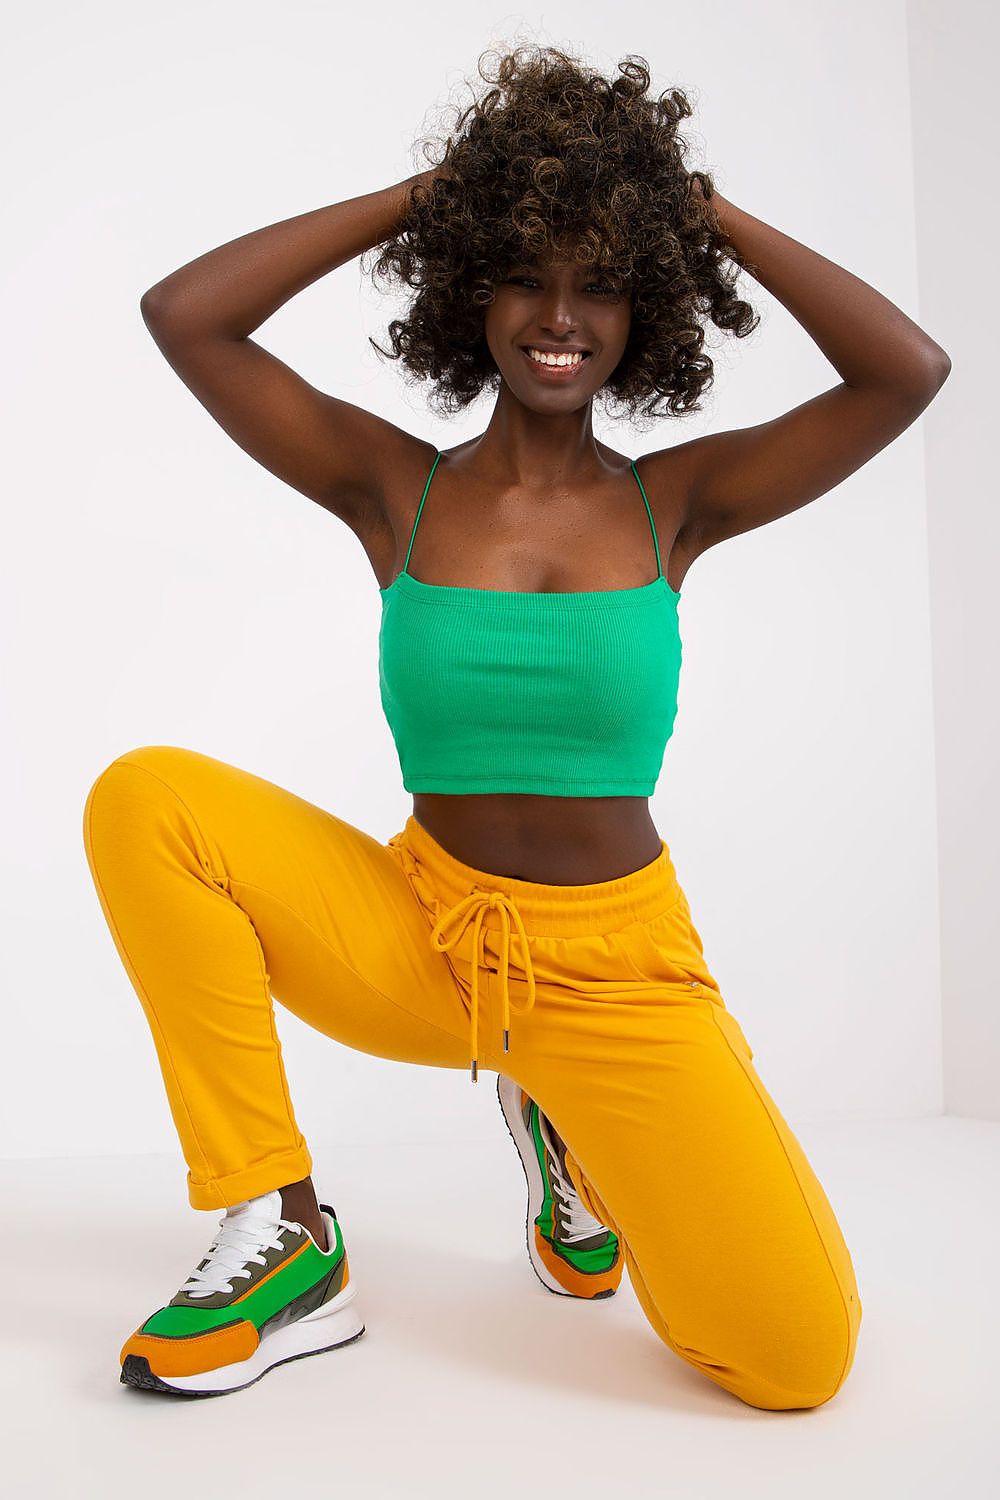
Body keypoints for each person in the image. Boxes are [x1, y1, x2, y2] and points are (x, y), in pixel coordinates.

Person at [82, 44, 950, 1405]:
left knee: (795, 1363)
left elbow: (905, 372)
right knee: (148, 799)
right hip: (425, 937)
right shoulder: (394, 490)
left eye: (600, 278)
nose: (561, 314)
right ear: (469, 289)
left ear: (644, 306)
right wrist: (430, 192)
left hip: (618, 974)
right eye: (525, 271)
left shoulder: (680, 500)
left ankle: (571, 1136)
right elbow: (188, 317)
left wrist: (696, 204)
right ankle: (283, 1231)